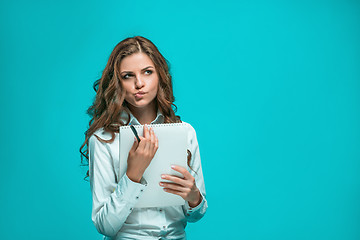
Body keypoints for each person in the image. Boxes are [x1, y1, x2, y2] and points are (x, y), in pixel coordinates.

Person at [79, 36, 208, 240]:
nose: (139, 83)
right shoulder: (104, 139)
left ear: (160, 76)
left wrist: (194, 197)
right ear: (117, 83)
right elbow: (104, 226)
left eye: (147, 72)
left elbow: (196, 215)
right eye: (128, 76)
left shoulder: (185, 132)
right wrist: (133, 175)